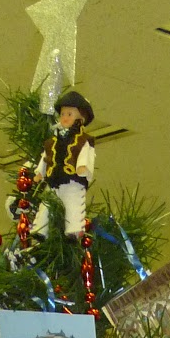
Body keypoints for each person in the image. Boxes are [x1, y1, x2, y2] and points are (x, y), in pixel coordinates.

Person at [33, 91, 95, 239]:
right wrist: (40, 172)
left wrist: (82, 167)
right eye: (63, 114)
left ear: (82, 117)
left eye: (69, 114)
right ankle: (40, 230)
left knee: (73, 204)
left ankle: (74, 230)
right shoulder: (52, 141)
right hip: (54, 178)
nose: (65, 117)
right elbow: (46, 157)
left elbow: (85, 155)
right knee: (46, 204)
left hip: (72, 179)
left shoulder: (83, 140)